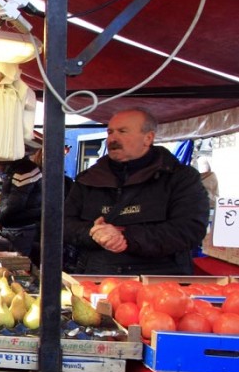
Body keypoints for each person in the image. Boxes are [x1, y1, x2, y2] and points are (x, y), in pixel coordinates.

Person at [63, 109, 209, 275]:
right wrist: (94, 233)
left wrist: (125, 237)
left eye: (122, 131)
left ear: (148, 138)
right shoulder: (88, 179)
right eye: (110, 132)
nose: (112, 139)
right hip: (98, 275)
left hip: (160, 279)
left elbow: (190, 229)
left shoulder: (180, 178)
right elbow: (64, 224)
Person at [0, 155, 43, 258]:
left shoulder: (24, 170)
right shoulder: (17, 169)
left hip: (21, 228)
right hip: (17, 227)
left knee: (18, 261)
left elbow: (14, 204)